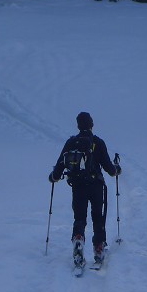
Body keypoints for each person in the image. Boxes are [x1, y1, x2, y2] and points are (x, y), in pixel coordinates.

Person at [48, 112, 121, 265]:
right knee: (97, 216)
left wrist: (53, 177)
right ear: (91, 124)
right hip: (96, 186)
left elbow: (60, 164)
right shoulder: (98, 142)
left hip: (78, 186)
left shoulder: (71, 142)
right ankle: (99, 248)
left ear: (78, 125)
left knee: (79, 217)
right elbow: (109, 168)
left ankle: (78, 239)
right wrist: (116, 169)